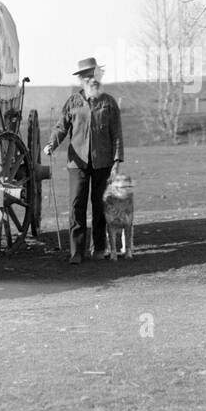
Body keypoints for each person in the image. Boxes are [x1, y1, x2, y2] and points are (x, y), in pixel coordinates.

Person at [44, 57, 124, 264]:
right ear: (81, 80)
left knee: (99, 205)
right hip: (77, 163)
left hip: (103, 162)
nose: (92, 80)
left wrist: (117, 159)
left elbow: (116, 133)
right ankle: (77, 252)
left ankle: (99, 248)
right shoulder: (73, 102)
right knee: (76, 205)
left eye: (95, 75)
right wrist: (52, 143)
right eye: (88, 76)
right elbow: (61, 127)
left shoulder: (109, 103)